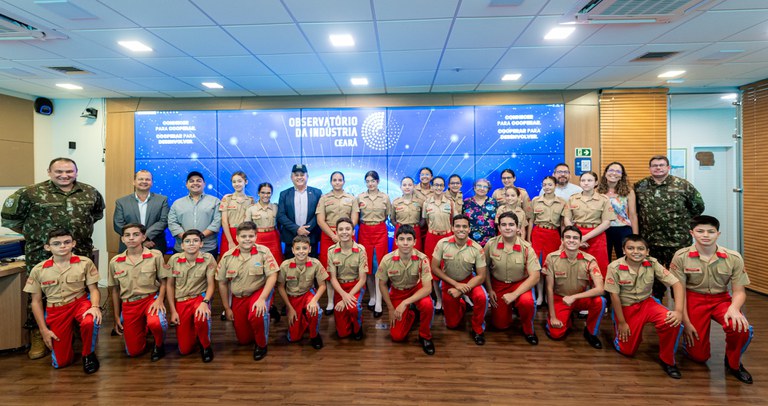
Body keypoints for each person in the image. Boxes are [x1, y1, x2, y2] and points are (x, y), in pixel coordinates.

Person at [2, 157, 104, 360]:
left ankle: (77, 329)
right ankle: (38, 334)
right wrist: (37, 235)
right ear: (49, 171)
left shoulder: (90, 192)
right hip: (41, 253)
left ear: (76, 172)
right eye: (59, 171)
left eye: (69, 171)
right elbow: (10, 219)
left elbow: (95, 215)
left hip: (80, 251)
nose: (64, 175)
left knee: (79, 289)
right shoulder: (29, 193)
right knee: (38, 294)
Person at [671, 215, 753, 384]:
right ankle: (688, 343)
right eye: (700, 231)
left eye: (711, 231)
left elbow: (739, 292)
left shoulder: (733, 257)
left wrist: (734, 308)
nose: (706, 235)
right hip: (692, 298)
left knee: (741, 327)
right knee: (699, 356)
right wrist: (685, 322)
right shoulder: (681, 257)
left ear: (718, 234)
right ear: (692, 233)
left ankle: (733, 362)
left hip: (721, 299)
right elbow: (679, 293)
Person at [604, 234, 685, 379]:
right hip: (626, 306)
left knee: (672, 322)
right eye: (630, 248)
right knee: (627, 351)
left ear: (647, 251)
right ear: (623, 250)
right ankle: (619, 331)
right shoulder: (614, 267)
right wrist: (622, 322)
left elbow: (676, 284)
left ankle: (668, 360)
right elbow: (614, 296)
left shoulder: (652, 263)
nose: (636, 251)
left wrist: (678, 311)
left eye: (641, 248)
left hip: (647, 303)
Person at [23, 229, 101, 373]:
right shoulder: (39, 270)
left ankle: (88, 354)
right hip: (56, 310)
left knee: (90, 320)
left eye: (67, 242)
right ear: (48, 247)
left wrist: (95, 306)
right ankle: (66, 344)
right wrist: (43, 330)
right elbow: (36, 302)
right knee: (61, 362)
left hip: (80, 303)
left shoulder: (85, 263)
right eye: (56, 243)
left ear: (73, 244)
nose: (62, 246)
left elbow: (94, 290)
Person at [635, 155, 705, 300]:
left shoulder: (683, 185)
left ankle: (681, 312)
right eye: (654, 165)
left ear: (668, 167)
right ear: (650, 168)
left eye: (661, 165)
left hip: (678, 242)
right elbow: (634, 210)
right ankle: (658, 312)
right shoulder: (640, 186)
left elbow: (698, 207)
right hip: (651, 241)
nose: (658, 168)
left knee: (679, 278)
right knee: (653, 279)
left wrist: (682, 222)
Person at [216, 221, 279, 361]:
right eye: (243, 236)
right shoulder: (227, 257)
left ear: (256, 237)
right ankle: (256, 330)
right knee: (243, 339)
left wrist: (262, 298)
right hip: (238, 297)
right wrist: (227, 308)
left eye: (251, 236)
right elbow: (222, 283)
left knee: (257, 314)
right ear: (237, 238)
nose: (247, 239)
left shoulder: (263, 252)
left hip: (258, 292)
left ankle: (262, 344)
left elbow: (273, 275)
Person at [108, 223, 168, 361]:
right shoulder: (115, 262)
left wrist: (159, 300)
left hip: (150, 300)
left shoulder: (155, 255)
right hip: (129, 305)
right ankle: (142, 329)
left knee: (156, 323)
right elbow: (115, 290)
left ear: (143, 237)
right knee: (134, 352)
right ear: (122, 239)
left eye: (136, 234)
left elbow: (164, 281)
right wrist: (116, 316)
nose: (131, 238)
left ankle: (159, 345)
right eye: (127, 235)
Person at [542, 226, 605, 348]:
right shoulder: (552, 258)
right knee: (556, 334)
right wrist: (553, 317)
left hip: (579, 298)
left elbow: (600, 289)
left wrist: (574, 297)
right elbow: (549, 288)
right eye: (568, 237)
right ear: (562, 240)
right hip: (560, 298)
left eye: (575, 238)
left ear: (581, 241)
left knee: (600, 301)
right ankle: (559, 318)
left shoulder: (589, 260)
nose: (571, 240)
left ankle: (591, 332)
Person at [377, 225, 435, 355]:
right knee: (397, 337)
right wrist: (391, 308)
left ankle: (425, 336)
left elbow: (427, 288)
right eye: (401, 239)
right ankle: (412, 314)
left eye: (409, 239)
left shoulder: (422, 259)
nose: (405, 243)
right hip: (397, 292)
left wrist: (405, 303)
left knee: (427, 305)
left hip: (416, 289)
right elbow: (382, 284)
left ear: (414, 242)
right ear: (396, 241)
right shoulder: (387, 259)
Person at [431, 214, 489, 345]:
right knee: (452, 324)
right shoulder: (442, 244)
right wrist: (456, 285)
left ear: (469, 229)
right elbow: (434, 268)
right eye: (457, 226)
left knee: (482, 297)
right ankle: (462, 305)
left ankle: (477, 328)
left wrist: (463, 289)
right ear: (452, 228)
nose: (461, 229)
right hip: (449, 282)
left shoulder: (477, 248)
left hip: (469, 281)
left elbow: (481, 276)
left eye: (464, 226)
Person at [484, 212, 541, 345]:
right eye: (504, 225)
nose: (507, 228)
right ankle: (509, 311)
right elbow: (485, 268)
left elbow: (535, 276)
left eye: (511, 224)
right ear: (499, 228)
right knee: (501, 325)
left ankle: (528, 329)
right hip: (498, 285)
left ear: (518, 228)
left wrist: (514, 294)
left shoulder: (527, 248)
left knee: (527, 302)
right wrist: (490, 289)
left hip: (519, 285)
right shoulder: (490, 244)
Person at [163, 229, 216, 362]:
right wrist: (173, 311)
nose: (191, 244)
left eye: (195, 241)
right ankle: (194, 332)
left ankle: (206, 346)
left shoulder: (208, 258)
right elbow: (169, 286)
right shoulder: (174, 260)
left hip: (200, 297)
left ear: (201, 244)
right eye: (187, 241)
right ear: (182, 245)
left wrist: (205, 302)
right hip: (181, 301)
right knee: (184, 350)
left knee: (201, 317)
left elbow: (211, 284)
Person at [316, 171, 357, 316]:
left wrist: (344, 232)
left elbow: (354, 218)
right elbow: (320, 220)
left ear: (344, 181)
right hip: (329, 235)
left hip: (346, 235)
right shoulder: (324, 198)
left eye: (340, 180)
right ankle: (331, 301)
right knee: (329, 269)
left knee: (346, 267)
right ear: (331, 182)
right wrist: (333, 235)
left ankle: (346, 295)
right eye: (334, 180)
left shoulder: (351, 198)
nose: (337, 182)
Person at [277, 235, 329, 350]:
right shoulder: (285, 265)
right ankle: (304, 320)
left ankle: (314, 335)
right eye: (298, 248)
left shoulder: (315, 263)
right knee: (293, 338)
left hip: (307, 293)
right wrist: (289, 308)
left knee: (316, 311)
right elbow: (280, 287)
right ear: (292, 250)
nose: (301, 251)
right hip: (292, 297)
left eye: (304, 248)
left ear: (310, 249)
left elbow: (322, 285)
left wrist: (314, 301)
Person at [564, 171, 615, 278]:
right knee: (577, 266)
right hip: (576, 235)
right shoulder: (573, 198)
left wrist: (584, 238)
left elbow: (607, 223)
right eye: (583, 180)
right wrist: (576, 237)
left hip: (597, 236)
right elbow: (567, 219)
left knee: (599, 267)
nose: (586, 183)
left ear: (596, 182)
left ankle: (599, 292)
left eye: (589, 180)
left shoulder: (603, 199)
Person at [355, 170, 391, 319]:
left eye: (373, 181)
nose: (370, 184)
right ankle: (372, 296)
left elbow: (389, 215)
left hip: (380, 230)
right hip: (364, 230)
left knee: (378, 265)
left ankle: (379, 301)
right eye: (368, 181)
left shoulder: (385, 197)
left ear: (378, 182)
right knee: (367, 265)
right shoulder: (360, 197)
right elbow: (357, 216)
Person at [326, 217, 368, 340]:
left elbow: (362, 279)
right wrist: (343, 295)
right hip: (340, 288)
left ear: (353, 232)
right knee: (342, 334)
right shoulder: (331, 251)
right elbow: (333, 278)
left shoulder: (360, 250)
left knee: (353, 308)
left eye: (348, 229)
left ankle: (358, 327)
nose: (344, 232)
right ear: (336, 232)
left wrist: (346, 299)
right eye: (341, 229)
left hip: (356, 286)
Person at [529, 176, 567, 306]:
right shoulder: (535, 200)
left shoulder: (562, 202)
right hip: (538, 233)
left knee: (550, 267)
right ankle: (539, 296)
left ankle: (548, 295)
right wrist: (528, 238)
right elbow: (531, 221)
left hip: (553, 235)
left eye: (550, 184)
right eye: (544, 184)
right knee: (537, 267)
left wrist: (563, 240)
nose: (547, 187)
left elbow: (562, 224)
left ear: (555, 185)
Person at [113, 169, 169, 253]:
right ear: (134, 182)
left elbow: (163, 221)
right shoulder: (121, 202)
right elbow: (118, 224)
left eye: (147, 179)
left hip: (154, 245)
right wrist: (137, 239)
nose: (144, 181)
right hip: (128, 247)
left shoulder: (162, 200)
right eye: (140, 179)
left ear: (152, 183)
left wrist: (145, 237)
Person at [168, 171, 222, 257]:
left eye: (198, 180)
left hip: (207, 248)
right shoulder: (177, 203)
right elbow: (172, 223)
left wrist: (200, 237)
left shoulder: (215, 201)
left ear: (204, 184)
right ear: (186, 184)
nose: (195, 183)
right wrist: (187, 239)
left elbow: (217, 222)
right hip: (182, 249)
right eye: (191, 181)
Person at [421, 176, 454, 314]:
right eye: (436, 185)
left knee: (447, 268)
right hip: (432, 237)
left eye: (441, 185)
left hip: (447, 237)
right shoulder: (427, 203)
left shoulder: (450, 203)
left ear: (444, 187)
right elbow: (425, 221)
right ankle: (439, 299)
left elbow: (453, 220)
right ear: (432, 186)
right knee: (433, 269)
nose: (438, 188)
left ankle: (448, 299)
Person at [277, 163, 322, 259]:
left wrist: (306, 230)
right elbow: (281, 215)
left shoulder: (317, 193)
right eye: (296, 175)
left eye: (302, 175)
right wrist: (297, 229)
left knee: (312, 267)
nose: (299, 177)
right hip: (291, 237)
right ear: (291, 177)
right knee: (290, 267)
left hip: (311, 236)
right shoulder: (284, 194)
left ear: (307, 176)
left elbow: (319, 214)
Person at [597, 162, 638, 260]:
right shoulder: (597, 191)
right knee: (604, 259)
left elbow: (633, 215)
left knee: (625, 259)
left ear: (621, 176)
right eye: (611, 170)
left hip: (623, 229)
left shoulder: (628, 191)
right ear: (606, 173)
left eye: (618, 171)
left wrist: (635, 237)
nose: (614, 173)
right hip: (603, 229)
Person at [246, 182, 283, 263]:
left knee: (276, 262)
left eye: (268, 193)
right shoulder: (251, 209)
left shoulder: (276, 207)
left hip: (273, 237)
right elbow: (247, 228)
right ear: (258, 193)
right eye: (263, 192)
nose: (265, 195)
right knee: (258, 262)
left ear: (272, 193)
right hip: (257, 238)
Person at [219, 171, 254, 256]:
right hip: (229, 234)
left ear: (245, 182)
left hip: (245, 234)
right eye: (234, 182)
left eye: (239, 181)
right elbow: (224, 221)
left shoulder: (251, 200)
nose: (236, 184)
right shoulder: (227, 198)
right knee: (228, 260)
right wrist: (230, 241)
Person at [391, 176, 423, 251]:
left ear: (414, 186)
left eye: (410, 185)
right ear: (400, 187)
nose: (407, 187)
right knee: (399, 255)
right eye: (404, 185)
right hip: (400, 231)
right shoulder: (396, 202)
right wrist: (400, 226)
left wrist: (416, 226)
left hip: (415, 231)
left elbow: (423, 219)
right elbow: (392, 219)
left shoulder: (420, 202)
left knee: (416, 255)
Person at [463, 178, 497, 247]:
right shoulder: (466, 202)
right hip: (470, 242)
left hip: (490, 243)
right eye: (479, 186)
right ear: (474, 188)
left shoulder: (494, 202)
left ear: (488, 189)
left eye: (485, 187)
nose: (482, 188)